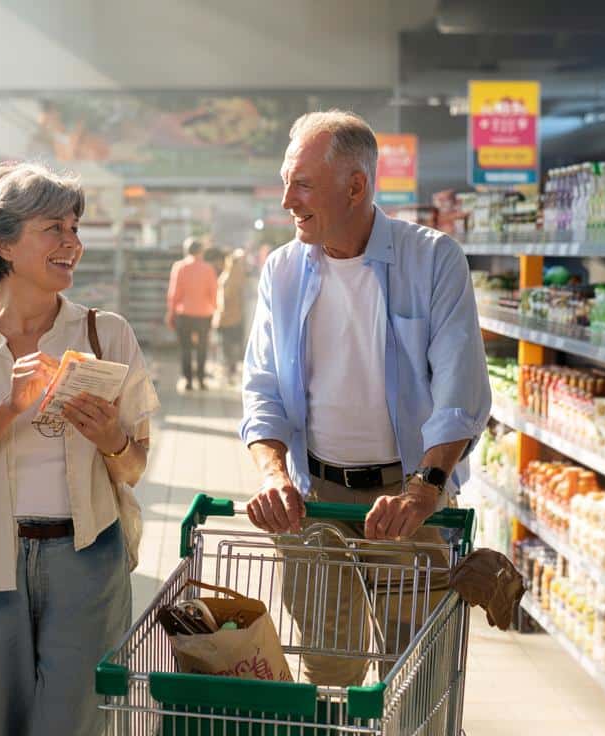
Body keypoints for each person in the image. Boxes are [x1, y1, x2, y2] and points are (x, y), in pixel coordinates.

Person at [240, 111, 493, 685]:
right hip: (316, 502)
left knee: (417, 675)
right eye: (286, 181)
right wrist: (272, 474)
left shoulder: (432, 259)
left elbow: (461, 391)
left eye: (301, 183)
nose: (286, 200)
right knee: (329, 668)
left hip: (407, 498)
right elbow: (262, 390)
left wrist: (424, 490)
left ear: (356, 185)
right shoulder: (281, 271)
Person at [0, 161, 159, 736]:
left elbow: (135, 467)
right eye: (55, 228)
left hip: (86, 554)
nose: (73, 243)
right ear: (3, 242)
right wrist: (8, 409)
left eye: (75, 228)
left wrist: (111, 438)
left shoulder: (107, 333)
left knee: (75, 720)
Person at [165, 236, 218, 391]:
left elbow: (174, 293)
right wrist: (215, 310)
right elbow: (213, 293)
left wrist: (171, 313)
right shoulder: (208, 269)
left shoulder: (179, 267)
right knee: (202, 348)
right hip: (204, 313)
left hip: (184, 314)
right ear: (201, 251)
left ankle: (187, 380)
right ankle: (201, 380)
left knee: (185, 348)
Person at [212, 248, 248, 383]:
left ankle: (229, 371)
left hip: (227, 317)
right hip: (232, 317)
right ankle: (229, 370)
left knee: (227, 345)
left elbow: (225, 297)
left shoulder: (229, 276)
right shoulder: (235, 276)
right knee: (230, 345)